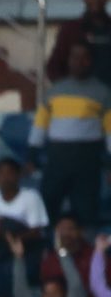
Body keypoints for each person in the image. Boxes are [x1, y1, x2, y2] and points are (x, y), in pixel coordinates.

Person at [31, 42, 111, 224]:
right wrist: (31, 154)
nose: (79, 61)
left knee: (86, 212)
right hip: (57, 159)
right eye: (75, 57)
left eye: (84, 57)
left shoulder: (103, 92)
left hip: (87, 161)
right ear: (68, 60)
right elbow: (40, 125)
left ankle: (88, 251)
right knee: (47, 209)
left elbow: (110, 132)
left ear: (91, 61)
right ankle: (49, 250)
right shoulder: (54, 90)